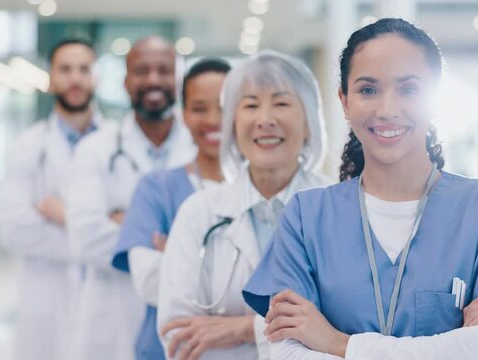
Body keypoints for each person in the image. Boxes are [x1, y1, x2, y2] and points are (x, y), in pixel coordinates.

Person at [242, 18, 478, 359]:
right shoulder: (305, 216)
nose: (387, 110)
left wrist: (338, 343)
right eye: (367, 90)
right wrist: (455, 343)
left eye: (409, 89)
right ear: (344, 101)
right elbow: (288, 354)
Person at [157, 50, 332, 360]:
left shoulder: (337, 208)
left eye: (281, 103)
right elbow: (179, 336)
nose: (265, 120)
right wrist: (291, 331)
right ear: (233, 125)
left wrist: (242, 329)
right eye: (250, 105)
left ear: (308, 123)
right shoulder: (200, 213)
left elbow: (346, 330)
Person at [65, 36, 197, 360]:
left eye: (164, 70)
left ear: (178, 79)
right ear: (126, 81)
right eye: (141, 71)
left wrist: (130, 224)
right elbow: (85, 238)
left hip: (190, 318)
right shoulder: (94, 151)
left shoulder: (203, 149)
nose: (153, 79)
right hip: (114, 316)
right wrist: (184, 244)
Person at [112, 58, 231, 359]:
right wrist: (236, 269)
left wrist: (180, 257)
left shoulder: (262, 187)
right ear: (183, 114)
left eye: (224, 106)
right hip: (168, 350)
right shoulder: (156, 188)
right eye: (199, 108)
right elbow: (149, 281)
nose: (213, 119)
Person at [0, 39, 102, 360]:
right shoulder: (28, 146)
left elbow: (128, 228)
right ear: (51, 79)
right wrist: (95, 233)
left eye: (84, 69)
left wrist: (64, 216)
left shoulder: (117, 145)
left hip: (103, 299)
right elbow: (14, 229)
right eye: (65, 69)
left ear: (95, 77)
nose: (75, 79)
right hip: (46, 298)